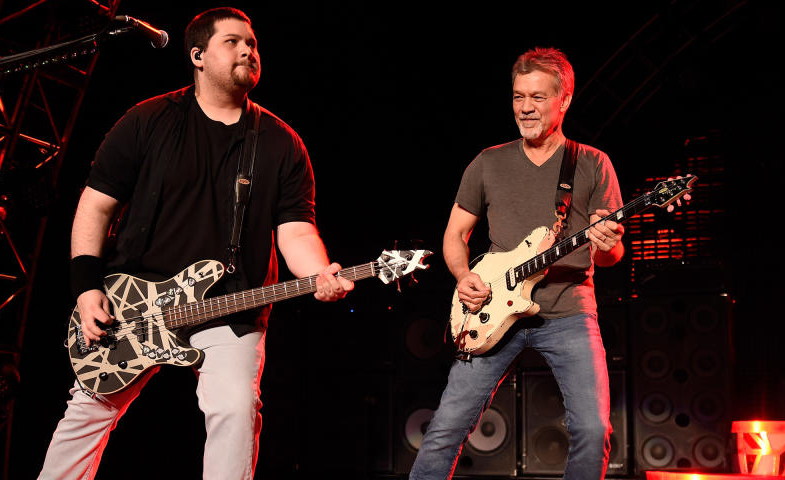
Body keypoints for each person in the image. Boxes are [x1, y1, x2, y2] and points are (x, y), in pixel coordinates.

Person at [38, 8, 353, 479]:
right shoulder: (147, 121)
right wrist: (86, 288)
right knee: (87, 412)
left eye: (253, 42)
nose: (248, 49)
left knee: (235, 406)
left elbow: (296, 230)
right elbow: (95, 206)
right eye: (233, 41)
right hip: (135, 301)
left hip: (229, 305)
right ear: (198, 56)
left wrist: (318, 273)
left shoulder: (281, 143)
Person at [409, 47, 624, 480]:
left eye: (538, 97)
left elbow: (612, 256)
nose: (525, 108)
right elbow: (454, 236)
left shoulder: (593, 163)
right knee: (445, 428)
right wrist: (463, 275)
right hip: (491, 312)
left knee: (593, 427)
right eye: (517, 96)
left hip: (569, 312)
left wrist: (606, 241)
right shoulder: (487, 162)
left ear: (563, 100)